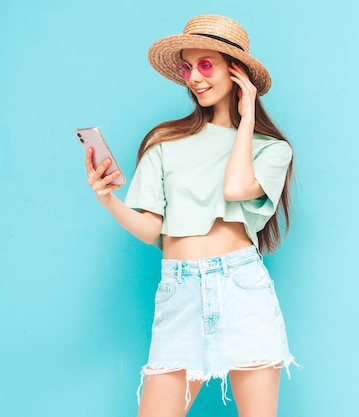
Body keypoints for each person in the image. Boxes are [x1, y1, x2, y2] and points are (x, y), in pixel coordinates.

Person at [84, 14, 297, 417]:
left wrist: (247, 116)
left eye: (205, 65)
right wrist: (108, 199)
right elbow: (153, 231)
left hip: (241, 286)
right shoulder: (165, 141)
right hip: (179, 289)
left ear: (237, 74)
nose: (195, 78)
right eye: (187, 67)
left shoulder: (272, 150)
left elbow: (235, 189)